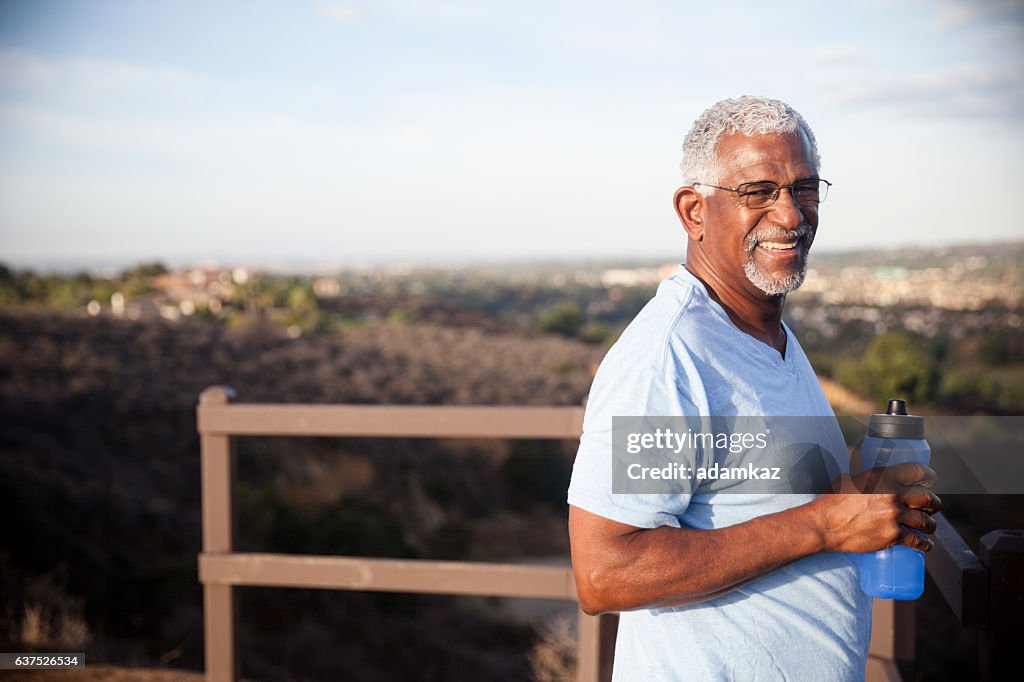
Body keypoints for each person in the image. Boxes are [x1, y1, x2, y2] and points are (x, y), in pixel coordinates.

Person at [566, 96, 941, 680]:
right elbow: (606, 571)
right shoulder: (670, 355)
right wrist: (829, 522)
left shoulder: (768, 332)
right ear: (693, 211)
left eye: (805, 188)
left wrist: (853, 491)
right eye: (758, 191)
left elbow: (755, 495)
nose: (791, 215)